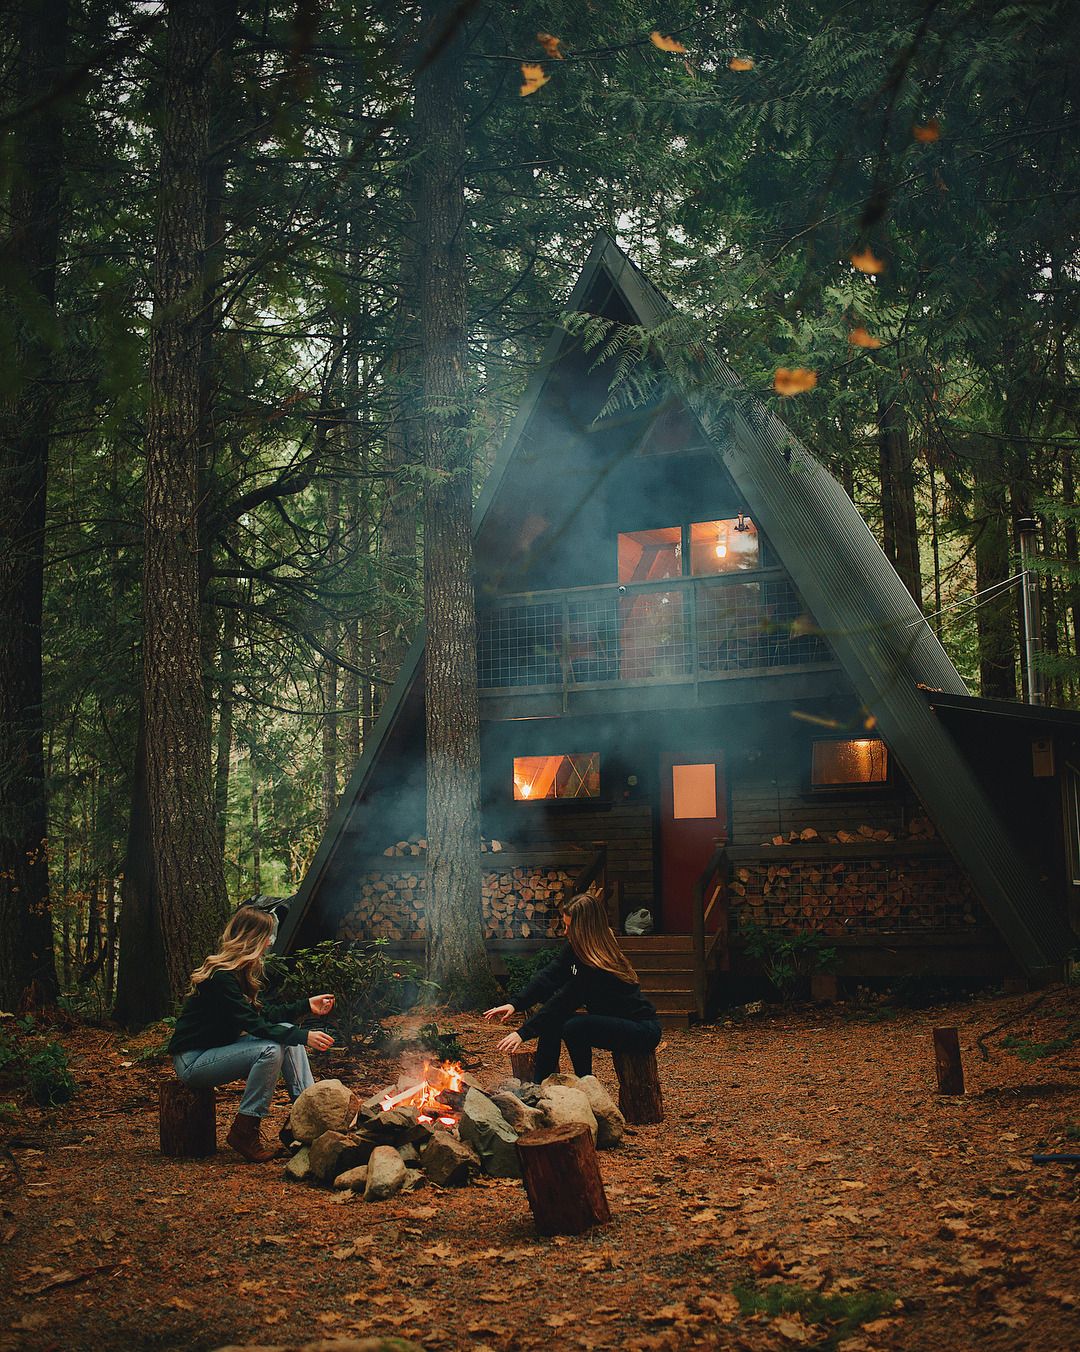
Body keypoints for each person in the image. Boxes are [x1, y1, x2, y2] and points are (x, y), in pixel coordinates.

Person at [168, 907, 335, 1162]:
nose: (270, 943)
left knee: (287, 1033)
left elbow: (262, 1014)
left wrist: (305, 1006)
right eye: (268, 937)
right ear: (254, 939)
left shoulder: (236, 973)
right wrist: (304, 1037)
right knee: (271, 1049)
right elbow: (255, 1025)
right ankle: (244, 1130)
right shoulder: (220, 978)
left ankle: (309, 1114)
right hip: (193, 1060)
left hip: (214, 1049)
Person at [483, 891, 661, 1081]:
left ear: (584, 929)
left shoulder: (595, 965)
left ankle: (586, 1083)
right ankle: (540, 1084)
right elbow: (548, 976)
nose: (565, 932)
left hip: (642, 1030)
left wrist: (522, 1033)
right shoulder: (576, 948)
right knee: (555, 1022)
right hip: (614, 1020)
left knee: (574, 1026)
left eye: (569, 926)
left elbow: (564, 1001)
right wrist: (515, 1004)